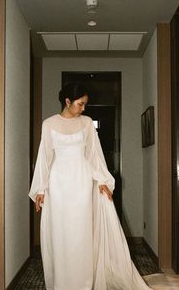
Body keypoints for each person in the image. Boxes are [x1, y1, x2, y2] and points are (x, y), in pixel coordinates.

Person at [29, 83, 151, 290]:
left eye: (85, 104)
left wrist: (102, 180)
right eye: (80, 104)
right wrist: (40, 189)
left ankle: (83, 284)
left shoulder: (86, 124)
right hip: (58, 185)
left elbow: (94, 154)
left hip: (82, 182)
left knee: (81, 234)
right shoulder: (48, 124)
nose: (84, 108)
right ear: (67, 102)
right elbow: (45, 157)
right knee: (60, 234)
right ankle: (62, 283)